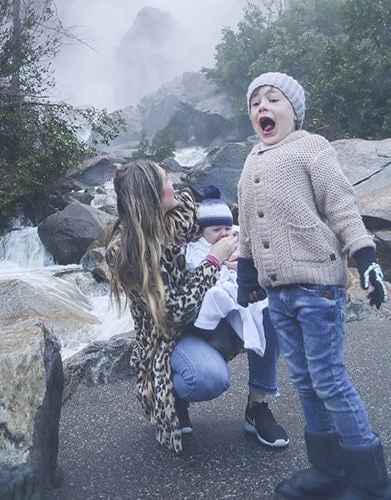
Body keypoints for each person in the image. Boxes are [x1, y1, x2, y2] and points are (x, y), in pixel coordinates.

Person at [238, 71, 390, 499]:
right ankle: (327, 468)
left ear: (294, 112)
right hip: (278, 293)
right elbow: (247, 225)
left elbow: (341, 205)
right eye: (255, 103)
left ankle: (370, 480)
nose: (262, 108)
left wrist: (366, 257)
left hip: (318, 288)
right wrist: (247, 278)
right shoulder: (251, 160)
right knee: (303, 380)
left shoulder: (310, 147)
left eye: (273, 100)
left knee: (329, 379)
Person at [105, 159, 288, 456]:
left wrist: (232, 253)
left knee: (267, 307)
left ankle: (258, 407)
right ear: (150, 194)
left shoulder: (179, 215)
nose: (173, 185)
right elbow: (174, 312)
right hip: (169, 337)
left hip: (207, 316)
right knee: (209, 378)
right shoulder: (126, 251)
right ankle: (174, 397)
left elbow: (215, 229)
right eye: (166, 181)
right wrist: (213, 261)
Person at [185, 185, 269, 357]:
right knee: (216, 296)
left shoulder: (236, 236)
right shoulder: (199, 246)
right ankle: (209, 329)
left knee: (258, 304)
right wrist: (218, 259)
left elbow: (254, 247)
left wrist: (242, 258)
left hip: (239, 285)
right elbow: (194, 265)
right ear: (203, 231)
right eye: (216, 230)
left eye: (227, 228)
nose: (223, 234)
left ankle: (246, 336)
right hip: (213, 287)